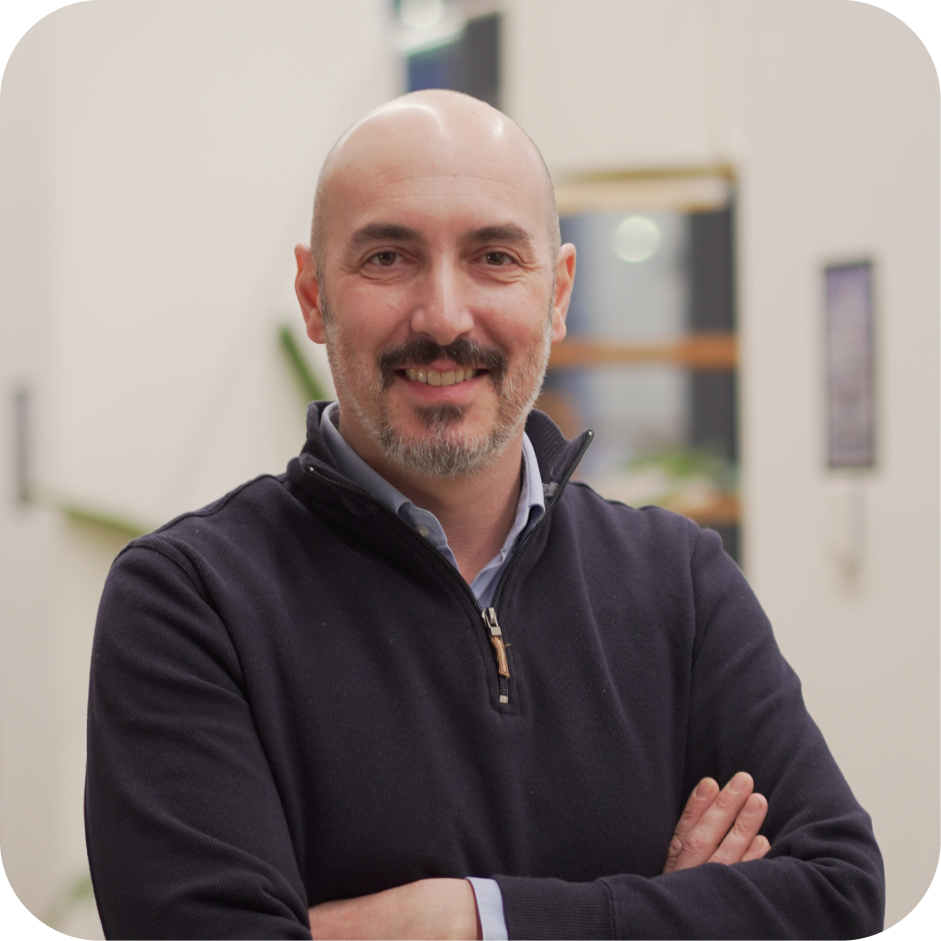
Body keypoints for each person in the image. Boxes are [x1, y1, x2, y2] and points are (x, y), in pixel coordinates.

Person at [85, 90, 884, 940]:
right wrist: (661, 915)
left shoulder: (678, 584)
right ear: (313, 295)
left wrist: (462, 918)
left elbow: (838, 897)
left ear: (557, 293)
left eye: (494, 257)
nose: (443, 316)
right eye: (388, 257)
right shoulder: (191, 601)